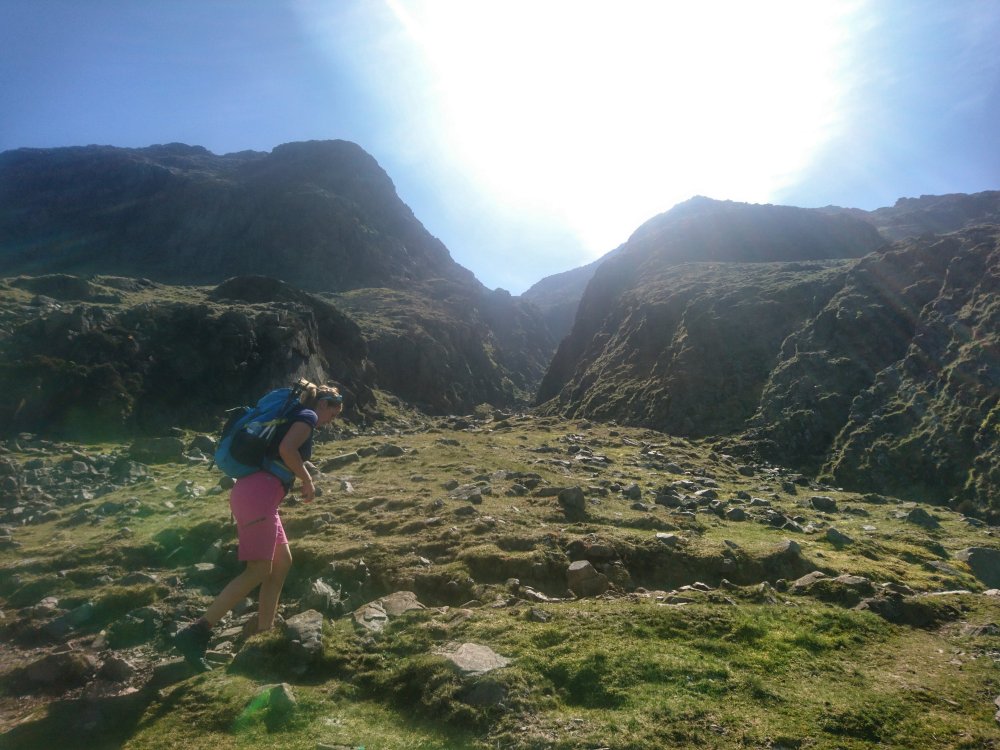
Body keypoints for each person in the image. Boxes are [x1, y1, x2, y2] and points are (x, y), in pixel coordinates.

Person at [174, 382, 344, 671]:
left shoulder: (294, 416)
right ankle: (196, 632)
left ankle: (263, 634)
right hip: (258, 497)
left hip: (259, 496)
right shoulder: (307, 416)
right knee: (259, 570)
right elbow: (287, 449)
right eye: (333, 414)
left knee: (281, 563)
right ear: (324, 404)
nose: (330, 421)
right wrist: (307, 480)